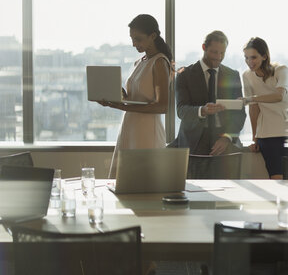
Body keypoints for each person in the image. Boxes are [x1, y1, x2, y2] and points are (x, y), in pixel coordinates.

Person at [100, 14, 172, 179]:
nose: (134, 44)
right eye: (132, 39)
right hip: (130, 126)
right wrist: (119, 98)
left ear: (153, 36)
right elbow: (136, 98)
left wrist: (122, 106)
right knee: (124, 181)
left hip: (146, 131)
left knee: (142, 180)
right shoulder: (139, 62)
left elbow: (162, 106)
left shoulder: (160, 62)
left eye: (138, 39)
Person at [169, 31, 246, 156]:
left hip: (224, 141)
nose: (218, 57)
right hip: (193, 142)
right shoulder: (184, 75)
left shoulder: (232, 76)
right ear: (204, 47)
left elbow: (239, 113)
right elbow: (181, 110)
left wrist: (227, 137)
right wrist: (202, 110)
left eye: (222, 53)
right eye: (214, 52)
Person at [242, 37, 288, 179]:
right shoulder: (246, 75)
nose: (249, 62)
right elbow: (254, 109)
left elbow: (279, 96)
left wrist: (251, 98)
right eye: (246, 58)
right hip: (268, 133)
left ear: (264, 56)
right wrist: (255, 138)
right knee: (276, 178)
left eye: (253, 57)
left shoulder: (281, 70)